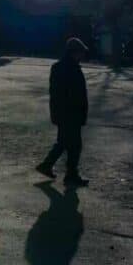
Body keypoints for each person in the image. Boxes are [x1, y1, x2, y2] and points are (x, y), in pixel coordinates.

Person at [36, 37, 89, 187]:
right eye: (81, 53)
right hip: (71, 113)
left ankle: (51, 167)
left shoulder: (60, 67)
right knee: (73, 145)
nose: (82, 56)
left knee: (65, 142)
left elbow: (56, 93)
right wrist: (80, 112)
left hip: (63, 112)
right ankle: (69, 174)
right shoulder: (72, 68)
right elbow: (76, 94)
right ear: (74, 52)